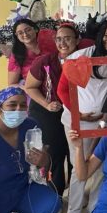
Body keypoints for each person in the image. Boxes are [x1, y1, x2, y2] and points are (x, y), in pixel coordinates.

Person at [62, 19, 107, 213]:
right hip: (77, 122)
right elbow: (63, 89)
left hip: (101, 122)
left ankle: (95, 205)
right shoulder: (81, 56)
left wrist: (103, 123)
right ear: (100, 36)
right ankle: (73, 211)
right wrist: (77, 114)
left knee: (99, 164)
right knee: (79, 167)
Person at [23, 22, 80, 197]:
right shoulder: (45, 62)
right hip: (47, 112)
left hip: (74, 113)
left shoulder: (84, 61)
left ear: (77, 40)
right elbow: (30, 87)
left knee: (75, 152)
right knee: (55, 152)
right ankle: (55, 195)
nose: (62, 43)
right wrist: (47, 104)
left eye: (67, 38)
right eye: (59, 39)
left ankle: (76, 193)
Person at [7, 18, 56, 85]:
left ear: (35, 29)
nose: (25, 34)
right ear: (17, 36)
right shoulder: (16, 54)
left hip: (56, 78)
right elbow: (12, 83)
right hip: (33, 87)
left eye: (28, 30)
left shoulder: (48, 39)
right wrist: (27, 88)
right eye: (20, 33)